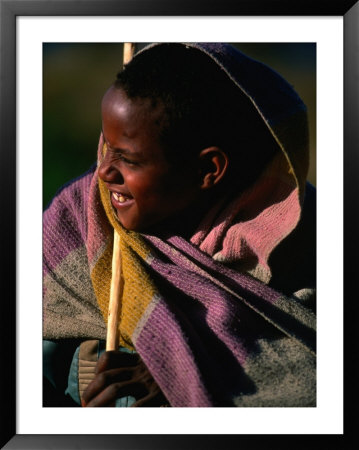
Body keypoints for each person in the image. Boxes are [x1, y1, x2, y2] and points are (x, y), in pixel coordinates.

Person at [43, 43, 316, 407]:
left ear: (209, 170)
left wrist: (181, 369)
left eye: (128, 159)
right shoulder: (77, 219)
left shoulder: (303, 240)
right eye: (105, 146)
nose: (104, 172)